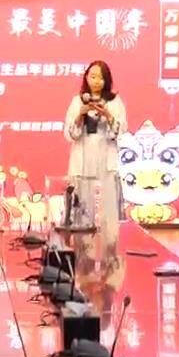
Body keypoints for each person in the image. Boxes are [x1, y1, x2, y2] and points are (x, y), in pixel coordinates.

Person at [63, 60, 126, 234]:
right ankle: (83, 240)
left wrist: (108, 115)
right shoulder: (77, 101)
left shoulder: (114, 101)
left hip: (105, 157)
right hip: (83, 157)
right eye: (93, 77)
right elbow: (70, 134)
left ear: (107, 80)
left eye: (100, 78)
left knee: (107, 204)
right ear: (86, 78)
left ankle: (109, 240)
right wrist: (80, 115)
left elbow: (119, 132)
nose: (96, 81)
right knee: (83, 202)